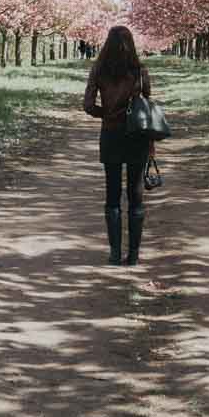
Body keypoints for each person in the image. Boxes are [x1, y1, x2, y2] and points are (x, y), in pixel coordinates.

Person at [82, 25, 153, 266]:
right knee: (136, 196)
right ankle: (133, 255)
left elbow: (88, 105)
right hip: (137, 136)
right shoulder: (140, 71)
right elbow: (148, 106)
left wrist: (108, 114)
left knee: (112, 196)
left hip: (111, 135)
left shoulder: (99, 69)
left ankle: (114, 254)